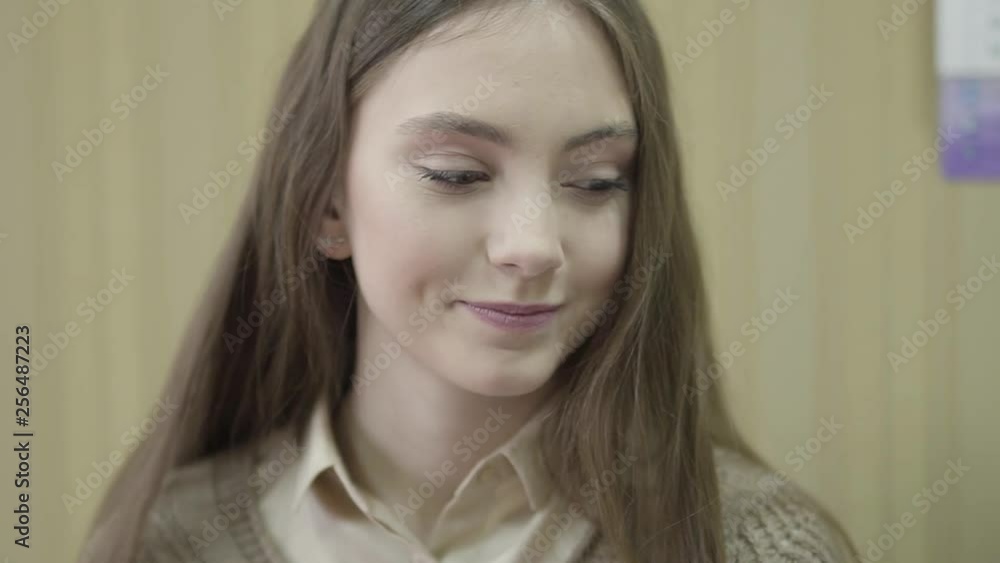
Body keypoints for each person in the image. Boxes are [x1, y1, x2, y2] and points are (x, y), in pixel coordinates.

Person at [80, 0, 859, 561]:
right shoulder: (168, 539)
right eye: (457, 173)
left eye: (594, 182)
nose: (533, 246)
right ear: (327, 203)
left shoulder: (758, 546)